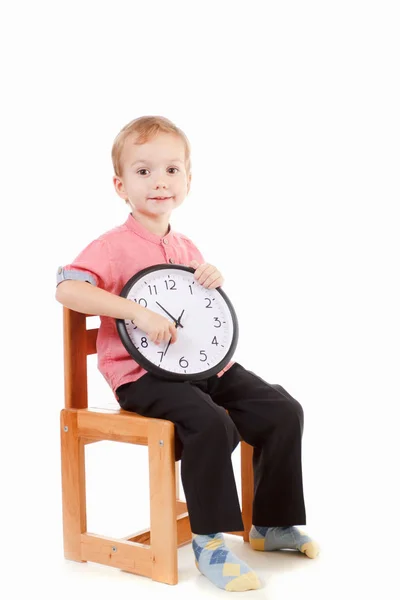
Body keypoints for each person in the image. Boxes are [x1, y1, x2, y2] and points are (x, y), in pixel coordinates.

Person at [55, 115, 319, 592]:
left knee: (282, 409)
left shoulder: (185, 244)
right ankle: (210, 544)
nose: (160, 181)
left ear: (188, 180)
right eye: (143, 171)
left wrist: (212, 277)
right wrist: (134, 312)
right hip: (143, 378)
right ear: (120, 185)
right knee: (211, 422)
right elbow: (69, 291)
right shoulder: (111, 247)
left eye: (172, 170)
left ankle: (270, 525)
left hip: (203, 368)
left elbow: (196, 308)